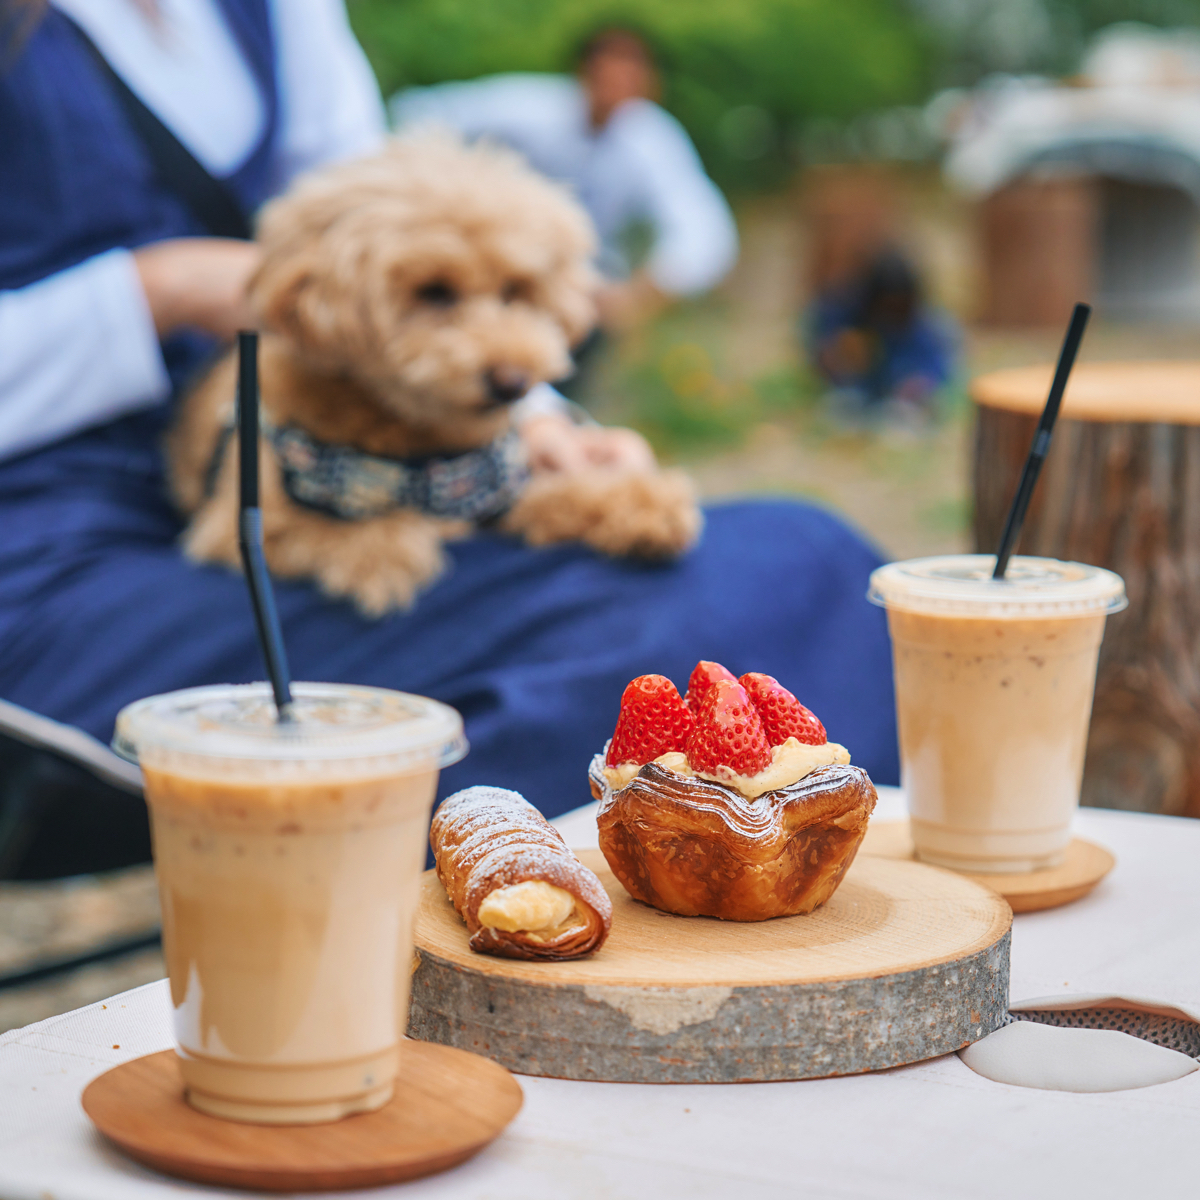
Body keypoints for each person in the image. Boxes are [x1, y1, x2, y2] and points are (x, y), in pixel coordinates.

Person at [0, 0, 897, 879]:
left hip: (347, 454)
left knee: (810, 562)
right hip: (53, 560)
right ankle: (463, 955)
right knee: (634, 639)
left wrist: (539, 420)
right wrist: (158, 289)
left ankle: (756, 939)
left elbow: (409, 230)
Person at [390, 27, 739, 334]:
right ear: (584, 70)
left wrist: (644, 291)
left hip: (582, 295)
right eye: (609, 70)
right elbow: (418, 112)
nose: (617, 85)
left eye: (631, 73)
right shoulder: (530, 108)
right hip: (496, 275)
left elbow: (702, 227)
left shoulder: (652, 140)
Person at [807, 250, 958, 426]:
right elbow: (818, 347)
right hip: (855, 395)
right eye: (886, 307)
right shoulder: (844, 316)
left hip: (898, 405)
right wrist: (833, 359)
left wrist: (921, 384)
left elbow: (939, 367)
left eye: (898, 307)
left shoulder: (924, 326)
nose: (891, 315)